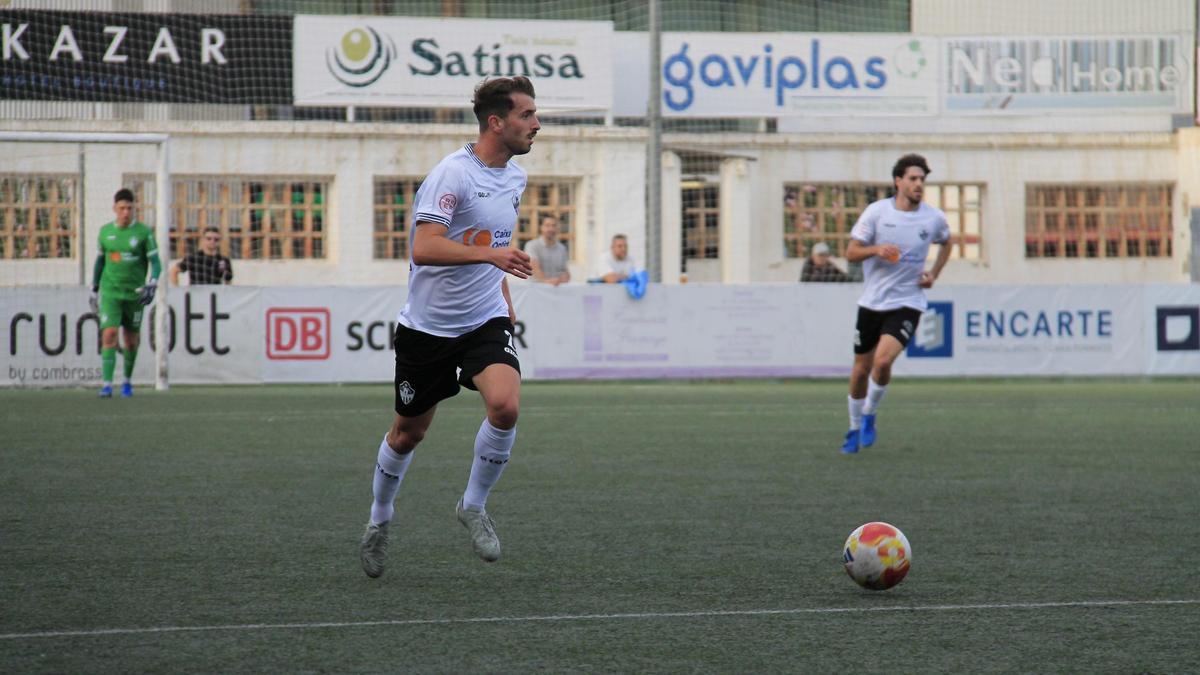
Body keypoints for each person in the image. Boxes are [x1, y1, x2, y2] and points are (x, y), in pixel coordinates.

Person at [359, 76, 539, 577]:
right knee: (407, 434)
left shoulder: (516, 177)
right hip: (428, 329)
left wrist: (500, 288)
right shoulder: (451, 175)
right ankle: (380, 518)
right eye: (527, 115)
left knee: (505, 406)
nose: (536, 124)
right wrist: (492, 255)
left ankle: (473, 505)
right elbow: (424, 247)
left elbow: (494, 237)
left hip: (484, 318)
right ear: (496, 122)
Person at [841, 153, 952, 454]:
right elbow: (851, 252)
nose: (919, 185)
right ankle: (852, 429)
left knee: (882, 361)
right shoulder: (876, 213)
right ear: (898, 181)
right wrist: (876, 249)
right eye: (913, 179)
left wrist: (934, 274)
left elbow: (947, 241)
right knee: (861, 370)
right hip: (872, 302)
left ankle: (869, 415)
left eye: (922, 180)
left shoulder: (933, 218)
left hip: (908, 301)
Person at [89, 188, 162, 398]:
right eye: (122, 208)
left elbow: (156, 263)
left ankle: (127, 381)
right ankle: (107, 384)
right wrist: (94, 289)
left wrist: (153, 283)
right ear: (115, 209)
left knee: (131, 340)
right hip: (111, 292)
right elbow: (100, 262)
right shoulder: (105, 232)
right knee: (109, 333)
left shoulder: (143, 232)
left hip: (135, 294)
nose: (126, 212)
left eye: (129, 208)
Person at [523, 215, 570, 285]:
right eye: (547, 225)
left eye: (554, 226)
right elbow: (534, 268)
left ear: (558, 228)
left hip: (555, 290)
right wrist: (547, 281)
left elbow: (564, 271)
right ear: (541, 227)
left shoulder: (562, 248)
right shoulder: (531, 245)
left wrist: (564, 277)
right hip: (535, 289)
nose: (551, 229)